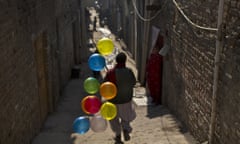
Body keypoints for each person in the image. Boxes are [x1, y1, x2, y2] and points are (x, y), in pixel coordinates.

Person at [104, 52, 136, 144]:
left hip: (113, 100)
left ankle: (118, 135)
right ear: (125, 61)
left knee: (114, 119)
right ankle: (125, 129)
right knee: (125, 117)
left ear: (116, 61)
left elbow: (105, 85)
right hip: (126, 99)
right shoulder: (129, 71)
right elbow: (133, 83)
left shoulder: (111, 73)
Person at [146, 34, 164, 105]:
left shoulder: (159, 57)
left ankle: (157, 100)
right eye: (153, 49)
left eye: (155, 49)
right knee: (151, 87)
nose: (154, 50)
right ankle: (153, 98)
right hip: (151, 75)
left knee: (157, 88)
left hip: (156, 75)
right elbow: (148, 65)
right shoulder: (152, 56)